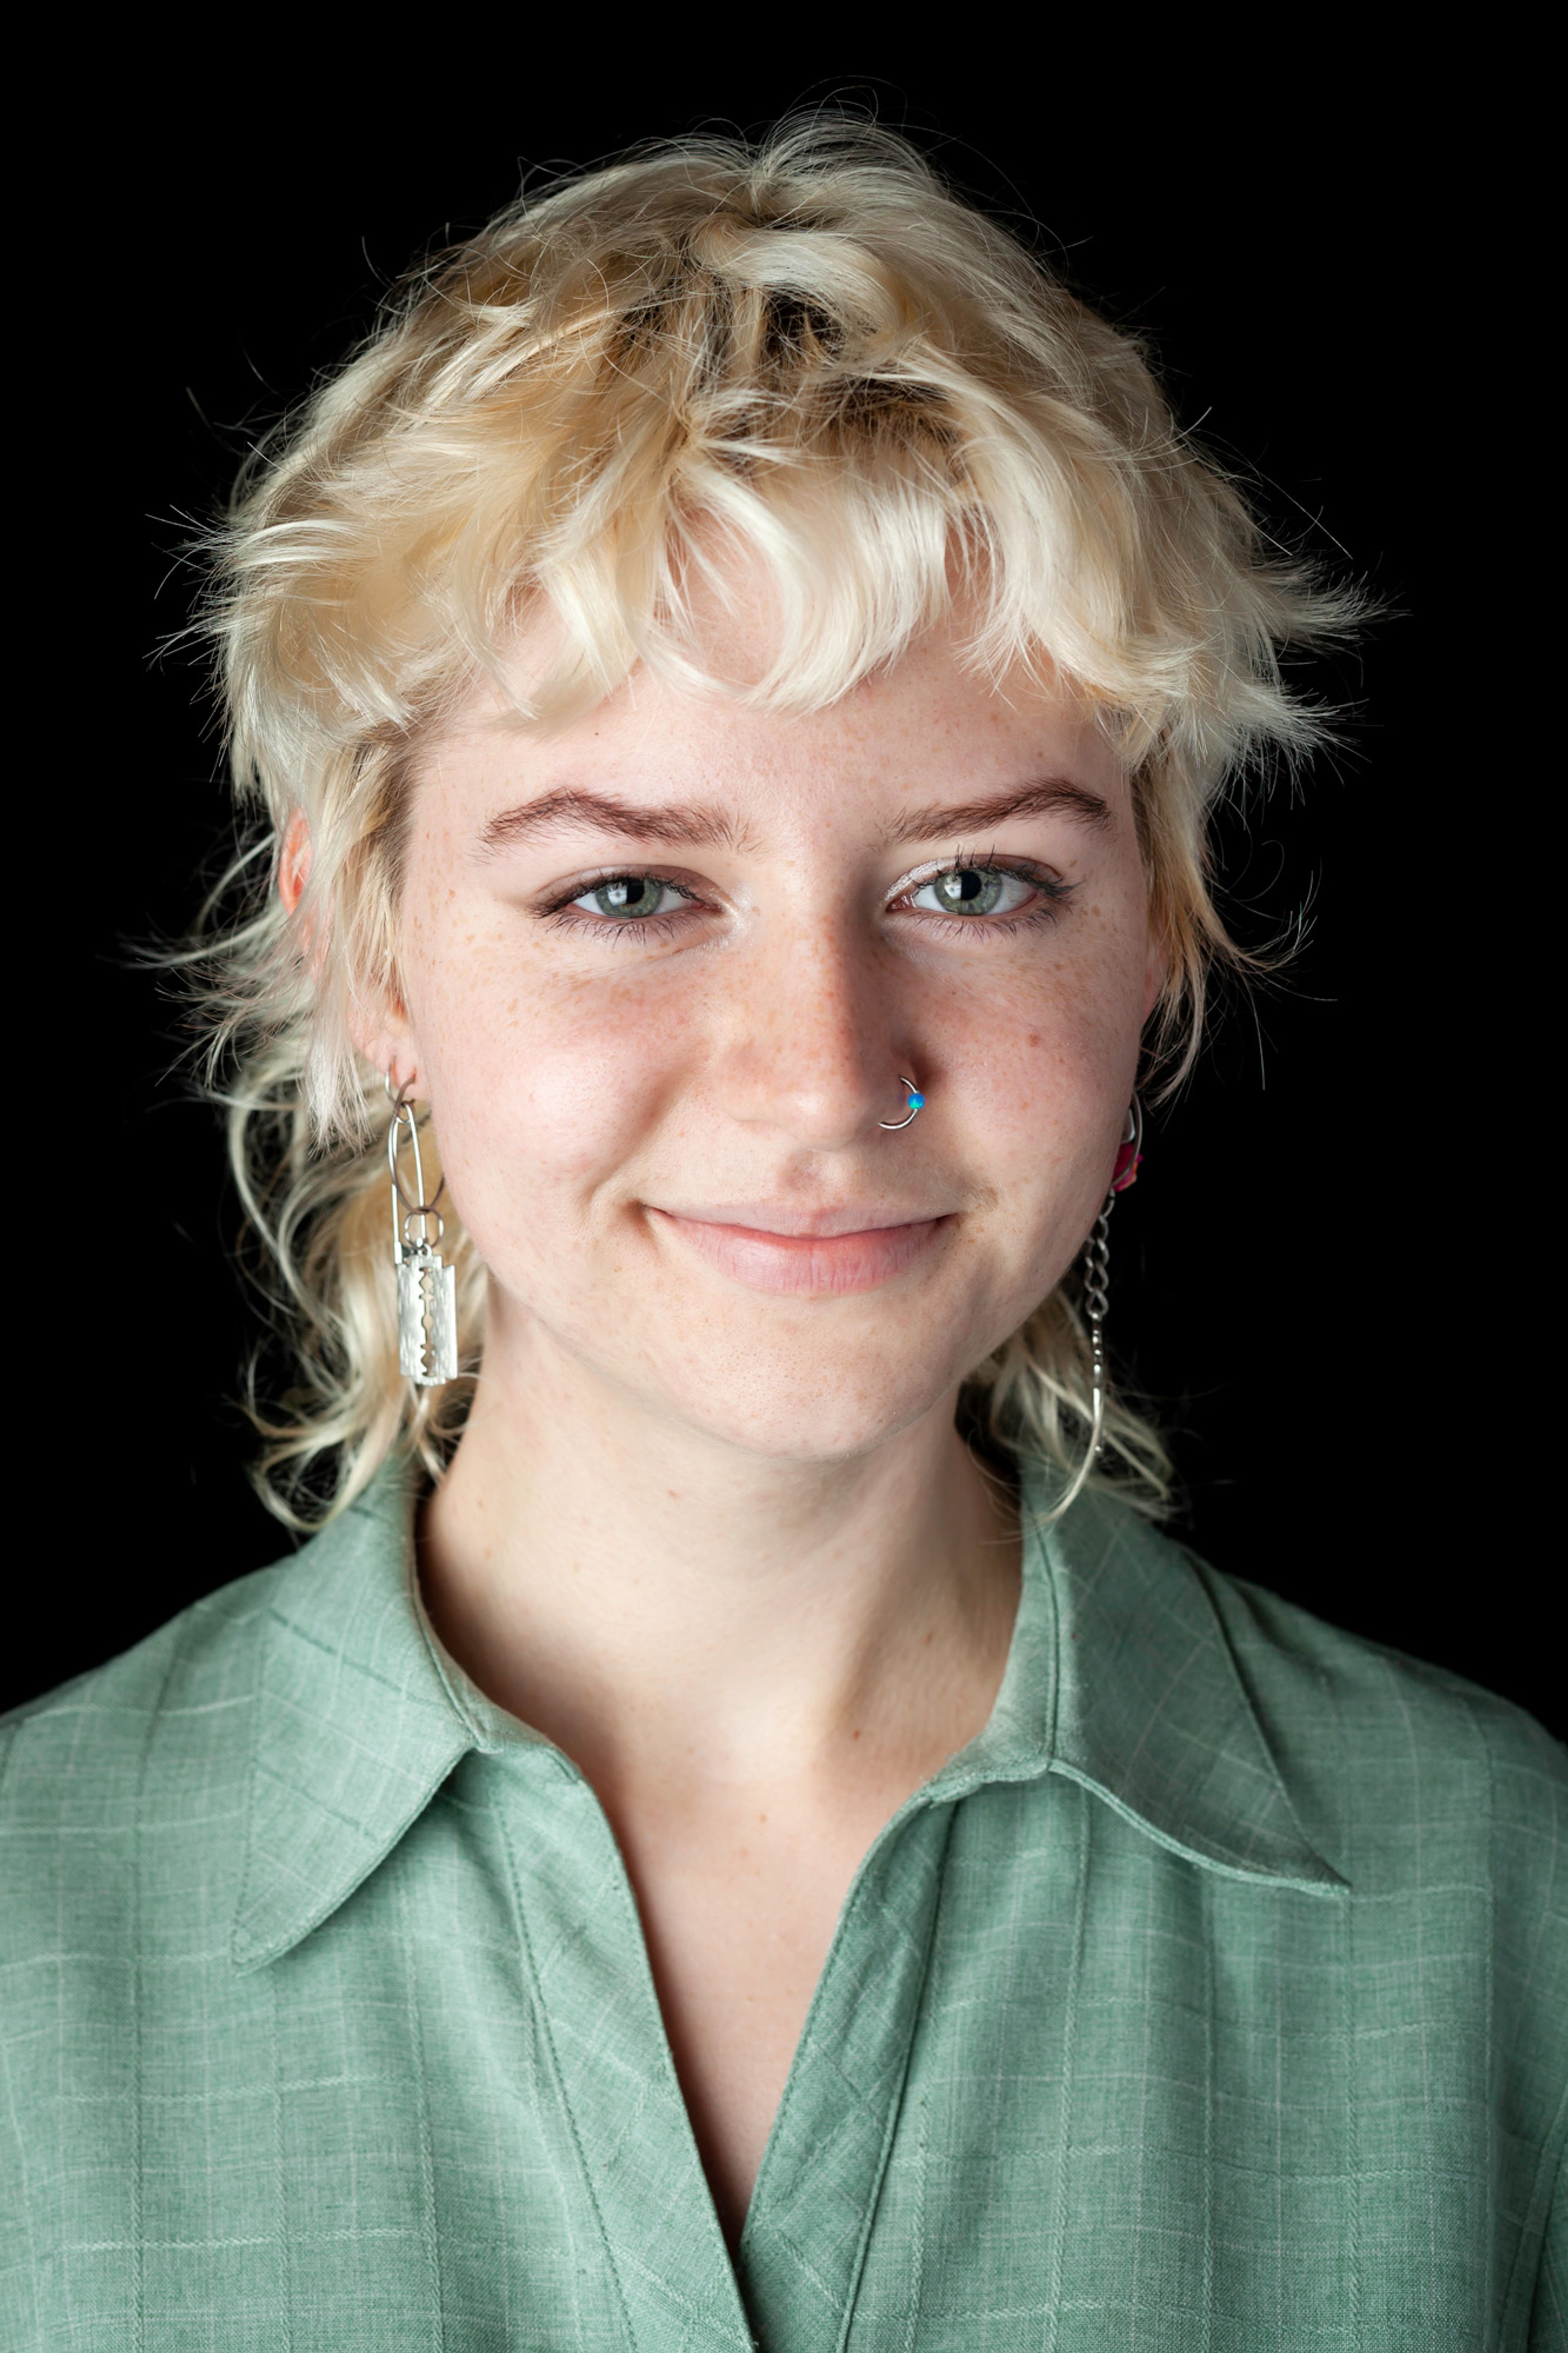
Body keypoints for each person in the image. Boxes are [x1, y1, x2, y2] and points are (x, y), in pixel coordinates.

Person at [2, 120, 1561, 2351]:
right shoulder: (17, 1924)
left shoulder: (1508, 1907)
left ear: (1157, 960)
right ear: (366, 964)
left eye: (977, 881)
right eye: (630, 889)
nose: (824, 1073)